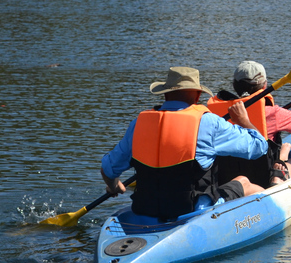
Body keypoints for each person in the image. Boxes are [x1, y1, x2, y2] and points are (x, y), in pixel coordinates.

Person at [100, 66, 268, 220]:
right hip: (194, 212)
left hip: (145, 210)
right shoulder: (209, 122)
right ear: (197, 95)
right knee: (243, 181)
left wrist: (114, 186)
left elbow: (108, 169)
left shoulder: (139, 124)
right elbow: (259, 147)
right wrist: (243, 121)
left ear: (165, 94)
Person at [231, 60, 291, 142]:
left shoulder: (224, 110)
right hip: (261, 159)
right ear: (264, 86)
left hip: (227, 159)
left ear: (234, 85)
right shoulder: (273, 113)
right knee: (290, 155)